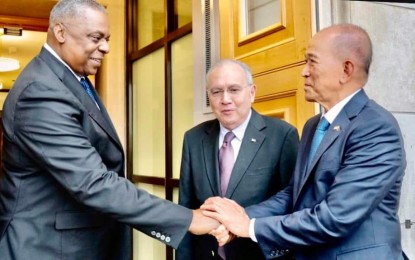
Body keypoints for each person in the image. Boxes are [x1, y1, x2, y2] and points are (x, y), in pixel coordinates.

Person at [0, 0, 218, 259]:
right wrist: (188, 219)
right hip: (47, 248)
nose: (106, 47)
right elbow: (92, 182)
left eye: (107, 38)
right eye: (96, 38)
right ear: (60, 32)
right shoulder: (40, 91)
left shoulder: (71, 78)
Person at [202, 24, 407, 259]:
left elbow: (336, 217)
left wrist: (249, 228)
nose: (304, 71)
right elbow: (294, 194)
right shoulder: (313, 125)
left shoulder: (375, 127)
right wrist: (242, 216)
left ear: (346, 70)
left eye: (312, 61)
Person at [176, 59, 299, 260]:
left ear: (252, 92)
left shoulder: (282, 135)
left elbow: (291, 202)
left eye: (234, 90)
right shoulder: (193, 138)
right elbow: (186, 211)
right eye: (216, 92)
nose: (225, 99)